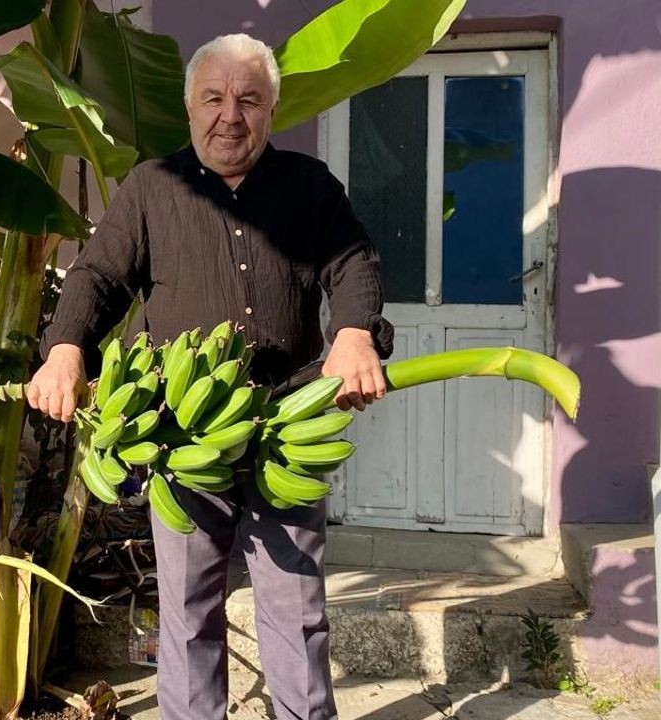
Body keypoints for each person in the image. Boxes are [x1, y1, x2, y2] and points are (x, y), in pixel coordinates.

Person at [26, 33, 394, 720]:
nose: (231, 116)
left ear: (272, 109)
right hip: (184, 434)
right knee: (189, 612)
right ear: (189, 106)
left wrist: (354, 333)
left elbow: (354, 263)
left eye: (249, 100)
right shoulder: (151, 187)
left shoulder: (309, 186)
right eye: (214, 98)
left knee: (296, 609)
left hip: (284, 427)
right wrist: (66, 348)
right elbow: (98, 275)